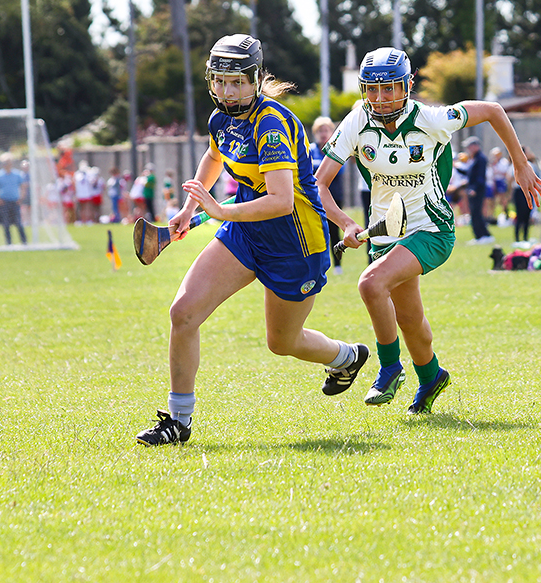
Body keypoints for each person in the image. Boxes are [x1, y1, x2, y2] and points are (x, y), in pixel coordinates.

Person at [135, 33, 369, 446]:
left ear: (255, 80)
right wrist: (190, 210)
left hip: (296, 244)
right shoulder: (220, 118)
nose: (227, 92)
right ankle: (178, 420)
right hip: (245, 231)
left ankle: (348, 357)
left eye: (237, 82)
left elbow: (280, 201)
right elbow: (214, 156)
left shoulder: (272, 124)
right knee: (183, 312)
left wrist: (221, 210)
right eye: (220, 82)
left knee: (282, 342)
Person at [315, 47, 541, 414]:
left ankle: (389, 369)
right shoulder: (356, 121)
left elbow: (493, 110)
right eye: (372, 90)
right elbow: (319, 185)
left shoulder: (433, 118)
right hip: (384, 234)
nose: (380, 97)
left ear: (408, 85)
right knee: (409, 320)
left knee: (370, 284)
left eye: (389, 88)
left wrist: (520, 163)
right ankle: (432, 377)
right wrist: (345, 222)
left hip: (431, 229)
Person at [309, 116, 348, 275]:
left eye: (326, 130)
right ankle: (318, 264)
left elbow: (342, 169)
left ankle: (337, 264)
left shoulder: (335, 148)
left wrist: (319, 166)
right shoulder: (310, 149)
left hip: (334, 196)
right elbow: (305, 167)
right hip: (314, 198)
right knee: (316, 231)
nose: (323, 134)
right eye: (320, 131)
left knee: (334, 231)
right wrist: (325, 166)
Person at [0, 153, 28, 245]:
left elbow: (23, 187)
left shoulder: (17, 174)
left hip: (15, 201)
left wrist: (21, 198)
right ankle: (9, 243)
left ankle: (24, 242)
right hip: (4, 202)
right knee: (6, 224)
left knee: (18, 223)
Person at [463, 136, 493, 244]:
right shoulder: (475, 158)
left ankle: (483, 235)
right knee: (474, 213)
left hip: (477, 190)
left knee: (476, 213)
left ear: (475, 146)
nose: (468, 149)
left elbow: (480, 176)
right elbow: (470, 173)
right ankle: (479, 235)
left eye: (469, 146)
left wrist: (474, 189)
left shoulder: (481, 158)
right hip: (473, 188)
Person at [511, 146, 540, 244]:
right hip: (519, 191)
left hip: (528, 190)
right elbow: (509, 179)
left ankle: (525, 238)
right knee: (520, 215)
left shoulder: (531, 165)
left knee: (527, 215)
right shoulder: (513, 165)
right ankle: (517, 238)